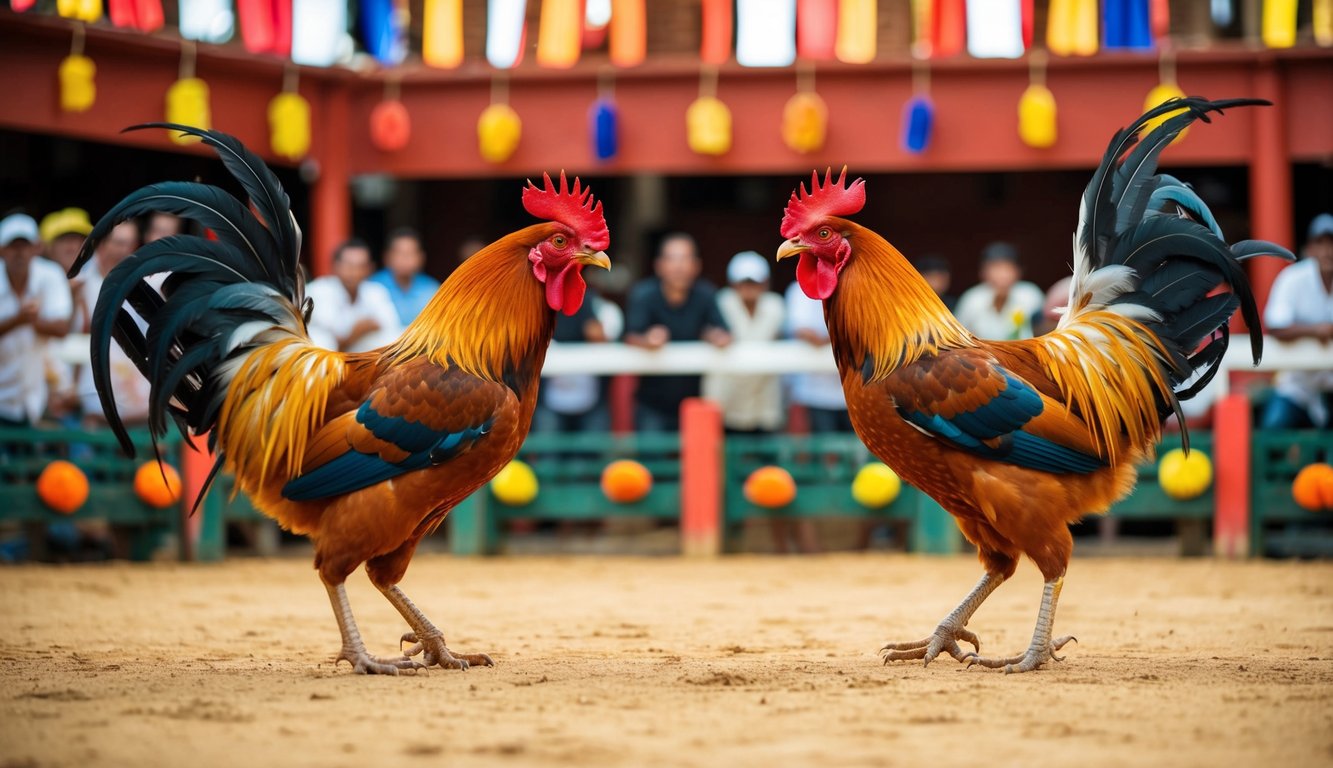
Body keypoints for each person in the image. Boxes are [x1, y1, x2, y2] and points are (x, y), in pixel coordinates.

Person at [624, 232, 731, 432]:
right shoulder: (643, 294)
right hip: (651, 403)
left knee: (697, 462)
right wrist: (647, 340)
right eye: (672, 259)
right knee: (651, 461)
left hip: (694, 402)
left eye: (685, 259)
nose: (679, 266)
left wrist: (712, 336)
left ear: (696, 265)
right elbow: (629, 336)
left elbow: (724, 334)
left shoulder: (706, 294)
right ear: (659, 265)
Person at [73, 220, 151, 427]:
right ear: (102, 244)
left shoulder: (143, 286)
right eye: (117, 243)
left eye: (128, 244)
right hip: (91, 401)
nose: (122, 249)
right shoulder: (80, 283)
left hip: (138, 405)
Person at [1261, 213, 1333, 429]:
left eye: (1331, 244)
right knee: (1274, 427)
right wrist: (1316, 331)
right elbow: (1275, 326)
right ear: (1309, 249)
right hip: (1297, 386)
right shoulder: (1293, 278)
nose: (1327, 251)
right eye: (1320, 243)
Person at [0, 214, 73, 426]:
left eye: (25, 246)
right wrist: (21, 319)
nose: (20, 254)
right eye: (14, 247)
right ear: (2, 250)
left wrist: (28, 320)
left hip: (37, 397)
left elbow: (61, 328)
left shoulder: (50, 275)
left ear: (36, 248)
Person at [703, 251, 786, 434]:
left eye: (754, 282)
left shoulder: (775, 306)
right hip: (727, 396)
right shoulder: (720, 302)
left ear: (765, 283)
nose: (749, 287)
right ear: (733, 283)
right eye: (744, 282)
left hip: (763, 398)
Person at [306, 238, 402, 353]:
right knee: (323, 342)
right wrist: (362, 328)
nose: (354, 272)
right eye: (349, 266)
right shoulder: (319, 290)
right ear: (335, 266)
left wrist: (357, 332)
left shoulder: (376, 291)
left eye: (360, 266)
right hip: (322, 353)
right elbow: (337, 337)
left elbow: (391, 326)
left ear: (370, 268)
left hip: (357, 349)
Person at [952, 242, 1045, 340]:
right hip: (982, 354)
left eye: (1008, 268)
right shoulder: (972, 298)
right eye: (996, 268)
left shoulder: (1030, 294)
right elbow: (957, 336)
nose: (1003, 274)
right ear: (983, 272)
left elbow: (1043, 329)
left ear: (1018, 271)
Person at [369, 228, 440, 326]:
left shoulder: (431, 289)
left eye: (410, 253)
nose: (405, 259)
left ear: (421, 258)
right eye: (399, 253)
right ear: (387, 257)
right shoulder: (372, 287)